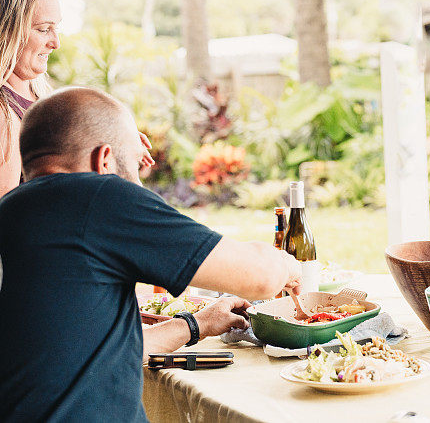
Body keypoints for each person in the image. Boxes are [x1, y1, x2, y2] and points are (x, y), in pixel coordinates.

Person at [0, 87, 302, 422]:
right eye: (132, 164)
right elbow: (259, 278)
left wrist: (197, 324)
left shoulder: (14, 212)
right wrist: (289, 265)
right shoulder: (96, 198)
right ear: (103, 160)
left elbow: (92, 351)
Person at [0, 0, 154, 196]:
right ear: (6, 29)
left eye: (56, 28)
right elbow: (8, 219)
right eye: (43, 29)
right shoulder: (4, 116)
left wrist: (121, 142)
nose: (55, 43)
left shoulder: (41, 97)